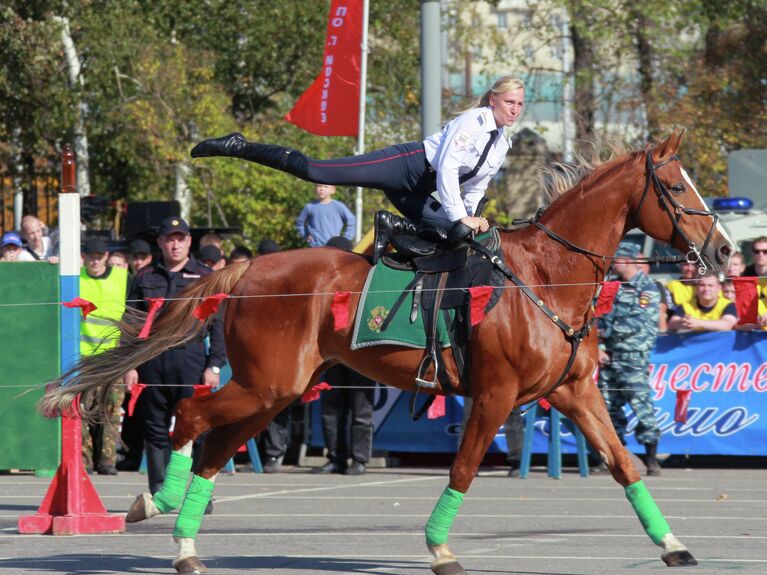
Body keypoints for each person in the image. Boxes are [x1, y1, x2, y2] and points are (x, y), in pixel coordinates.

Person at [191, 76, 525, 262]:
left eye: (520, 104)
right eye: (509, 102)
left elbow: (476, 186)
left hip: (422, 190)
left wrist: (470, 218)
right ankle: (240, 146)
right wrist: (459, 216)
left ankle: (392, 227)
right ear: (493, 100)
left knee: (458, 239)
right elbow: (449, 169)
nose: (515, 109)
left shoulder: (503, 143)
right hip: (406, 167)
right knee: (316, 171)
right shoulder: (473, 121)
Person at [124, 217, 225, 504]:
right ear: (160, 242)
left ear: (190, 241)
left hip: (190, 358)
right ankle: (160, 492)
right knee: (154, 427)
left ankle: (198, 494)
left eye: (181, 238)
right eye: (170, 238)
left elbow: (218, 325)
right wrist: (129, 365)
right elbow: (130, 323)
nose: (175, 244)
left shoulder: (205, 277)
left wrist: (214, 365)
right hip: (152, 359)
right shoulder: (145, 277)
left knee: (197, 427)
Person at [597, 243, 663, 476]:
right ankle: (616, 459)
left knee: (641, 407)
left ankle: (652, 459)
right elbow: (599, 320)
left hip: (633, 358)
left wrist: (612, 338)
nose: (613, 264)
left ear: (626, 260)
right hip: (609, 358)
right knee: (608, 409)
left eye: (616, 260)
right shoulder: (609, 286)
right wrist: (599, 347)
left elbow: (642, 324)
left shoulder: (647, 288)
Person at [312, 237, 375, 476]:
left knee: (361, 410)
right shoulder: (324, 284)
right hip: (331, 356)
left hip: (361, 355)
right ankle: (336, 458)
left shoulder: (365, 279)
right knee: (331, 410)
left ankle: (359, 459)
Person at [79, 237, 130, 475]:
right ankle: (84, 461)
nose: (95, 260)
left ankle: (108, 461)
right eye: (90, 256)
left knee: (111, 408)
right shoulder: (75, 277)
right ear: (84, 257)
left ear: (106, 257)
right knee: (82, 409)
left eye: (99, 256)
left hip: (113, 357)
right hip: (84, 357)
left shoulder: (122, 278)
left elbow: (132, 315)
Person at [667, 272, 738, 332]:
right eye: (702, 285)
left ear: (719, 288)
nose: (706, 289)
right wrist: (682, 322)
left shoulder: (728, 305)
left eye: (710, 286)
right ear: (696, 288)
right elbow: (671, 324)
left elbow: (727, 325)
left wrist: (698, 323)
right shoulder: (686, 306)